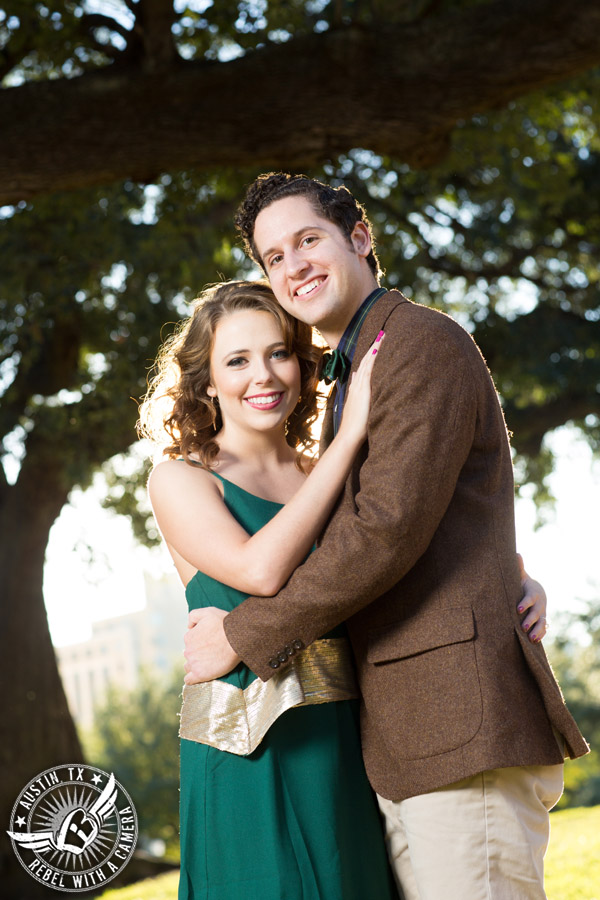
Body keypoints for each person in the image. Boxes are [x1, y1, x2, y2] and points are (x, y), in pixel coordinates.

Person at [183, 173, 589, 900]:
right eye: (274, 257)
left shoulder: (416, 344)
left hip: (462, 730)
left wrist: (242, 636)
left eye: (309, 240)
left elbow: (385, 531)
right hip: (401, 745)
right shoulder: (350, 381)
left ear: (360, 238)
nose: (294, 264)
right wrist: (506, 572)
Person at [140, 280, 399, 899]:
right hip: (243, 745)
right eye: (237, 360)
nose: (265, 375)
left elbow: (400, 548)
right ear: (206, 382)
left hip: (346, 740)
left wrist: (518, 575)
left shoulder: (323, 472)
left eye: (279, 352)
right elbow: (259, 572)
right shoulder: (178, 479)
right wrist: (348, 441)